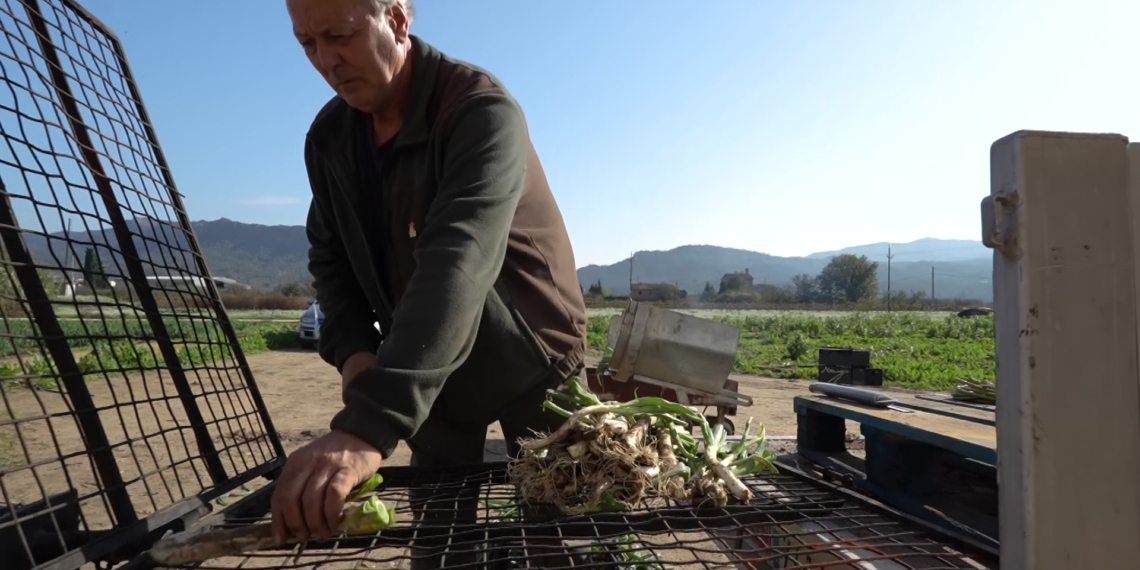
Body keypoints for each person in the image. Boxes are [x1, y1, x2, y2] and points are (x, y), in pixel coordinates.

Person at [271, 0, 588, 555]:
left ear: (395, 19)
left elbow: (457, 262)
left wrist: (370, 423)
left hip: (532, 358)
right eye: (307, 44)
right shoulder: (329, 140)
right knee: (442, 542)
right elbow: (330, 259)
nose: (326, 60)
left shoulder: (480, 111)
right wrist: (355, 353)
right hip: (428, 362)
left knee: (560, 532)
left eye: (339, 35)